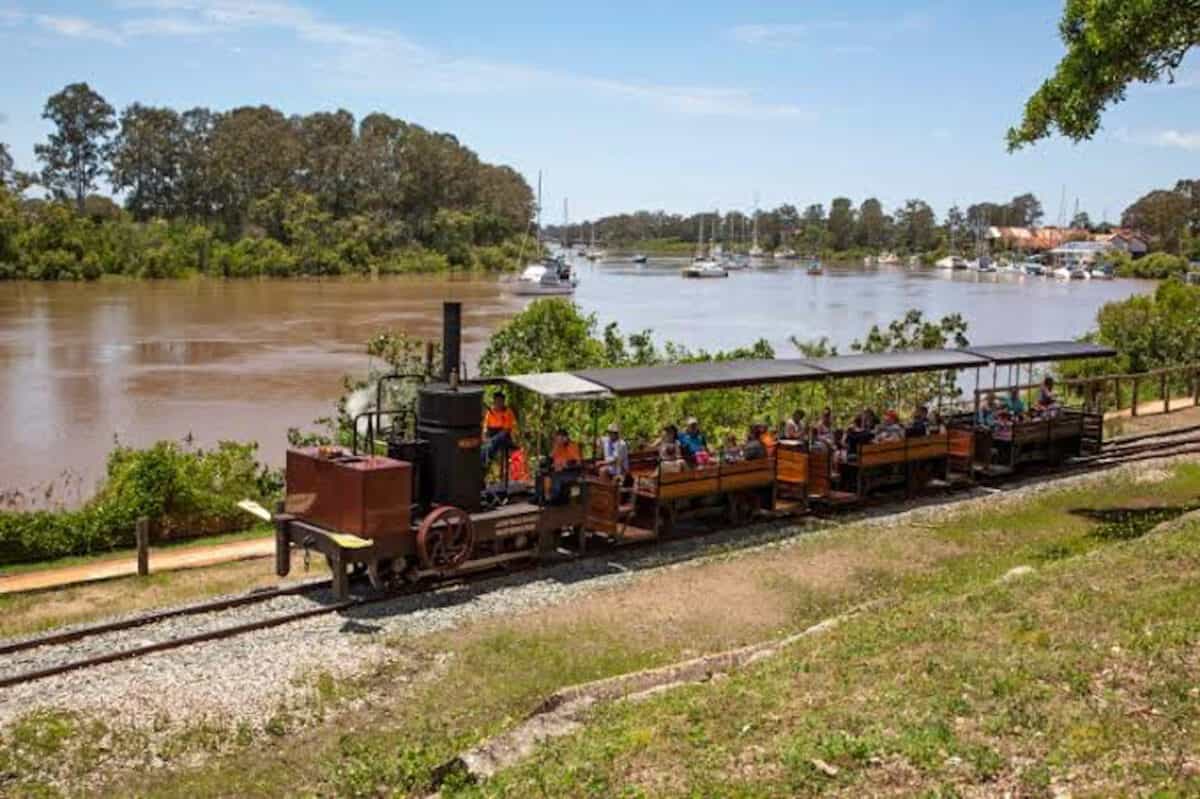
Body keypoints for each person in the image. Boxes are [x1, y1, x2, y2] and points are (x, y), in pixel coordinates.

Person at [539, 428, 582, 504]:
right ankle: (543, 496)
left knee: (556, 477)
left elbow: (577, 463)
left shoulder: (573, 446)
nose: (557, 441)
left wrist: (564, 465)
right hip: (558, 470)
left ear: (565, 438)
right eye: (557, 439)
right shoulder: (558, 446)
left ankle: (554, 497)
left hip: (571, 472)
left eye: (559, 439)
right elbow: (550, 459)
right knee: (543, 474)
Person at [481, 391, 518, 466]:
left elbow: (507, 429)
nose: (499, 403)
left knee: (498, 438)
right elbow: (486, 427)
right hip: (492, 435)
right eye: (497, 401)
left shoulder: (508, 412)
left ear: (503, 402)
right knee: (488, 444)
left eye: (501, 401)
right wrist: (485, 435)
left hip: (504, 435)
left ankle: (486, 457)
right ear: (494, 401)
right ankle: (484, 459)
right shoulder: (490, 412)